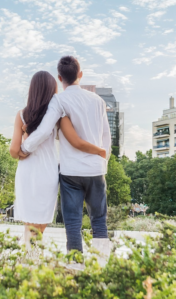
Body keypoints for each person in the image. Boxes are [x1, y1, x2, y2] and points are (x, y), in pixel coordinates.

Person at [20, 56, 112, 264]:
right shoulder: (98, 101)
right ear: (80, 74)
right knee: (99, 220)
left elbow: (44, 130)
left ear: (60, 77)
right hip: (96, 170)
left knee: (72, 222)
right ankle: (102, 265)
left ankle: (75, 263)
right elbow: (106, 137)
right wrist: (102, 161)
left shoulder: (59, 100)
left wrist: (24, 148)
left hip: (71, 172)